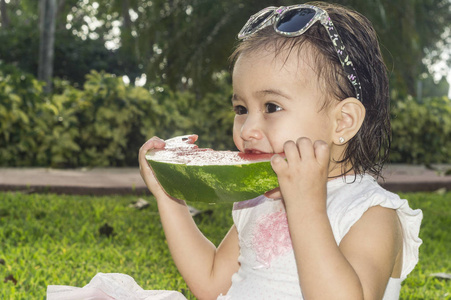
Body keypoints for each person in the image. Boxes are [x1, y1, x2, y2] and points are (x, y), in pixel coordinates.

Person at [138, 2, 422, 299]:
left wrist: (305, 207)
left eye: (271, 107)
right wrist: (169, 197)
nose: (247, 129)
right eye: (241, 108)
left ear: (343, 122)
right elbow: (211, 285)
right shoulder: (257, 201)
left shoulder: (371, 212)